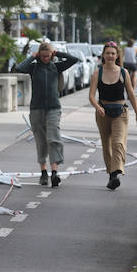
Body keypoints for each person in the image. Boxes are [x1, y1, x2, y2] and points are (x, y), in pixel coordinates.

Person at [13, 41, 79, 186]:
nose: (45, 59)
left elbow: (74, 60)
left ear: (51, 55)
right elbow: (19, 68)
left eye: (48, 56)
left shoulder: (56, 66)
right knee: (41, 140)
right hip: (36, 108)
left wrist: (58, 54)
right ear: (39, 56)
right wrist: (32, 57)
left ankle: (54, 172)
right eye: (42, 56)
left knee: (53, 138)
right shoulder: (34, 68)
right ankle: (43, 172)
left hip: (54, 108)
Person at [89, 41, 137, 190]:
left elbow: (131, 94)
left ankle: (116, 171)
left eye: (113, 53)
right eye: (108, 53)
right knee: (106, 145)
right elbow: (91, 96)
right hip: (103, 112)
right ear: (103, 55)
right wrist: (97, 106)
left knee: (118, 142)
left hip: (121, 112)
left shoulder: (123, 72)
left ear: (117, 55)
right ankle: (111, 175)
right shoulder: (97, 73)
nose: (110, 56)